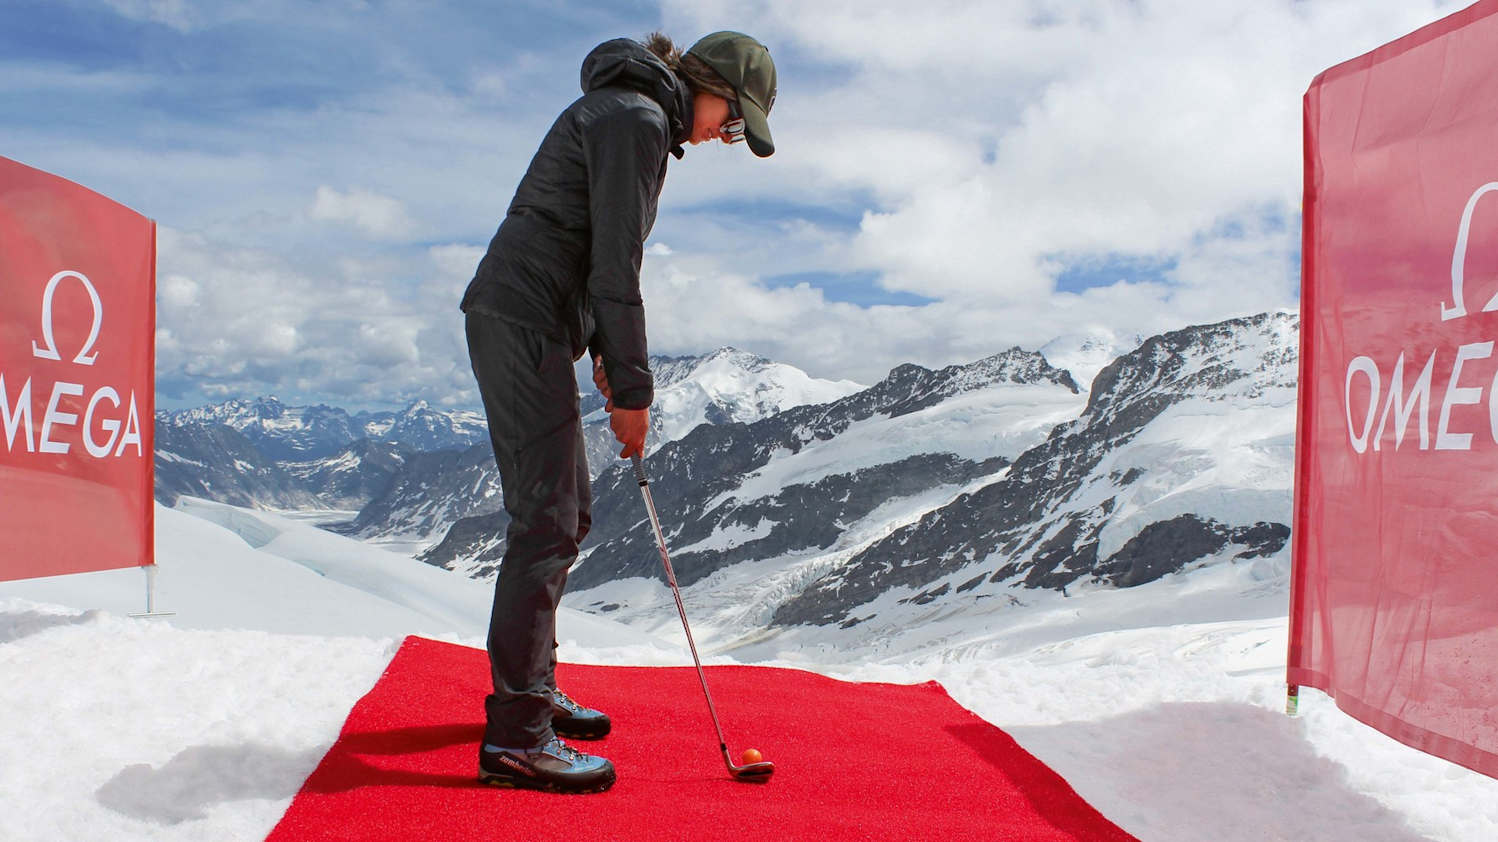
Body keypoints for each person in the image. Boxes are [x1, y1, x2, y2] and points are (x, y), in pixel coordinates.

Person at [459, 31, 777, 793]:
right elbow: (615, 264)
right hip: (523, 319)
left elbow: (596, 251)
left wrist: (604, 354)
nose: (724, 135)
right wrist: (633, 392)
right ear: (708, 86)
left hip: (534, 320)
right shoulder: (636, 120)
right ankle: (517, 739)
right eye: (733, 118)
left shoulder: (635, 115)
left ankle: (532, 692)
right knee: (545, 522)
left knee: (566, 516)